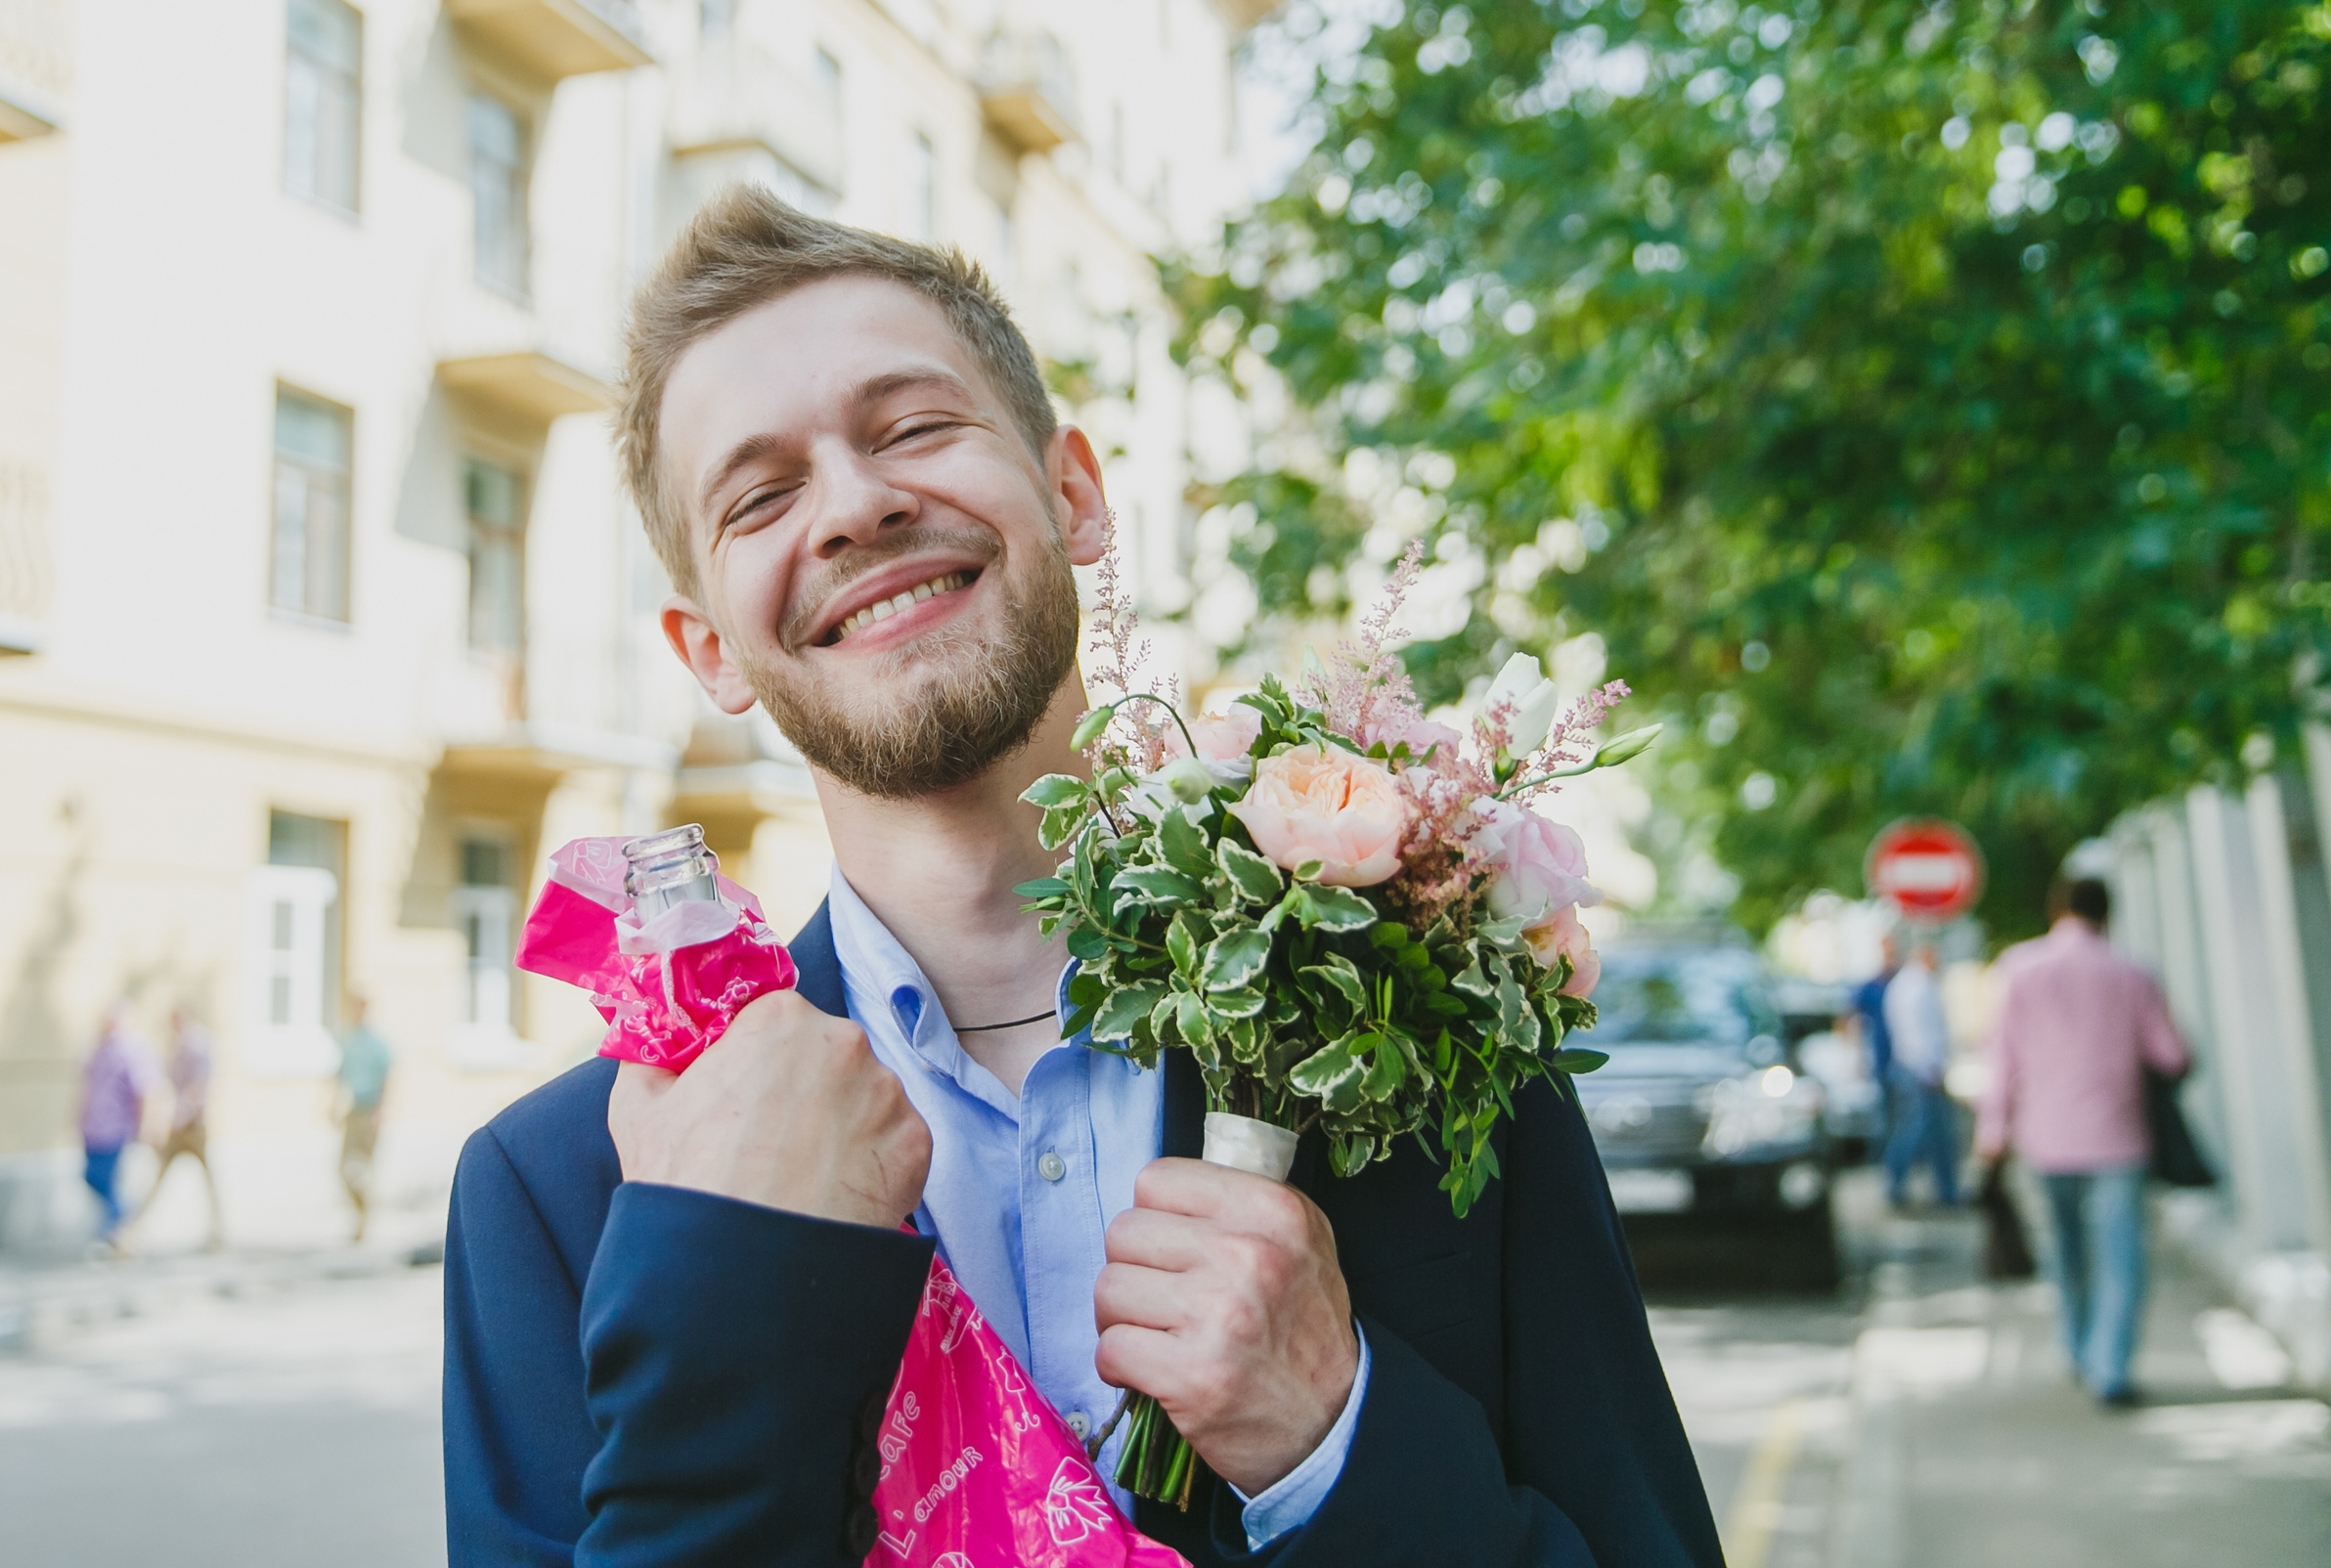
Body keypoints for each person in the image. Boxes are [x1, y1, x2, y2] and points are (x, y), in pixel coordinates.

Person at [441, 188, 1721, 1567]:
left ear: (1073, 494)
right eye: (761, 495)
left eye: (915, 426)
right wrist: (737, 1278)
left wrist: (1339, 1439)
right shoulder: (562, 1190)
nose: (858, 505)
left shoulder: (1428, 1035)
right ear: (710, 655)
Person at [1977, 875, 2188, 1408]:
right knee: (2121, 1256)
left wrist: (1993, 1132)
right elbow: (2173, 1056)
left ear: (2055, 910)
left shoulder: (2018, 970)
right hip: (2118, 1136)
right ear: (2107, 914)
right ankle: (2110, 1369)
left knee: (2065, 1249)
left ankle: (2074, 1347)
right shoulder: (2133, 973)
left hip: (2044, 1138)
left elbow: (2001, 1060)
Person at [134, 1005, 223, 1249]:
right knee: (158, 1178)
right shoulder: (177, 1048)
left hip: (192, 1125)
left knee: (208, 1180)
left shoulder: (198, 1045)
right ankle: (131, 1233)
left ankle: (217, 1233)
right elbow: (169, 1085)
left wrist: (176, 1118)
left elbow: (198, 1089)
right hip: (179, 1124)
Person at [1881, 938, 1961, 1208]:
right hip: (1921, 1069)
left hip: (1910, 1066)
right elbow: (1923, 1034)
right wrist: (1932, 1071)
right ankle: (1905, 1186)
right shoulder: (1920, 986)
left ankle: (1943, 1190)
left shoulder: (1902, 985)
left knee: (1929, 1133)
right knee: (1920, 1132)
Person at [76, 1002, 159, 1250]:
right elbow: (86, 1087)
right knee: (90, 1176)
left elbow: (144, 1090)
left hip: (116, 1126)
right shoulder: (96, 1049)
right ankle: (124, 1212)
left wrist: (146, 1125)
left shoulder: (133, 1049)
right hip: (93, 1125)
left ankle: (112, 1230)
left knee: (108, 1179)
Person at [335, 993, 391, 1243]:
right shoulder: (348, 1041)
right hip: (353, 1110)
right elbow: (339, 1074)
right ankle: (360, 1213)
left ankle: (365, 1219)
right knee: (344, 1168)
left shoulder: (376, 1043)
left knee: (362, 1168)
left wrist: (381, 1110)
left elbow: (388, 1077)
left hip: (370, 1110)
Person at [1849, 933, 1900, 1153]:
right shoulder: (1870, 987)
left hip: (1903, 1059)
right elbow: (1850, 1018)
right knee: (1884, 1116)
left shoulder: (1902, 982)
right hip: (1881, 1058)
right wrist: (1856, 1055)